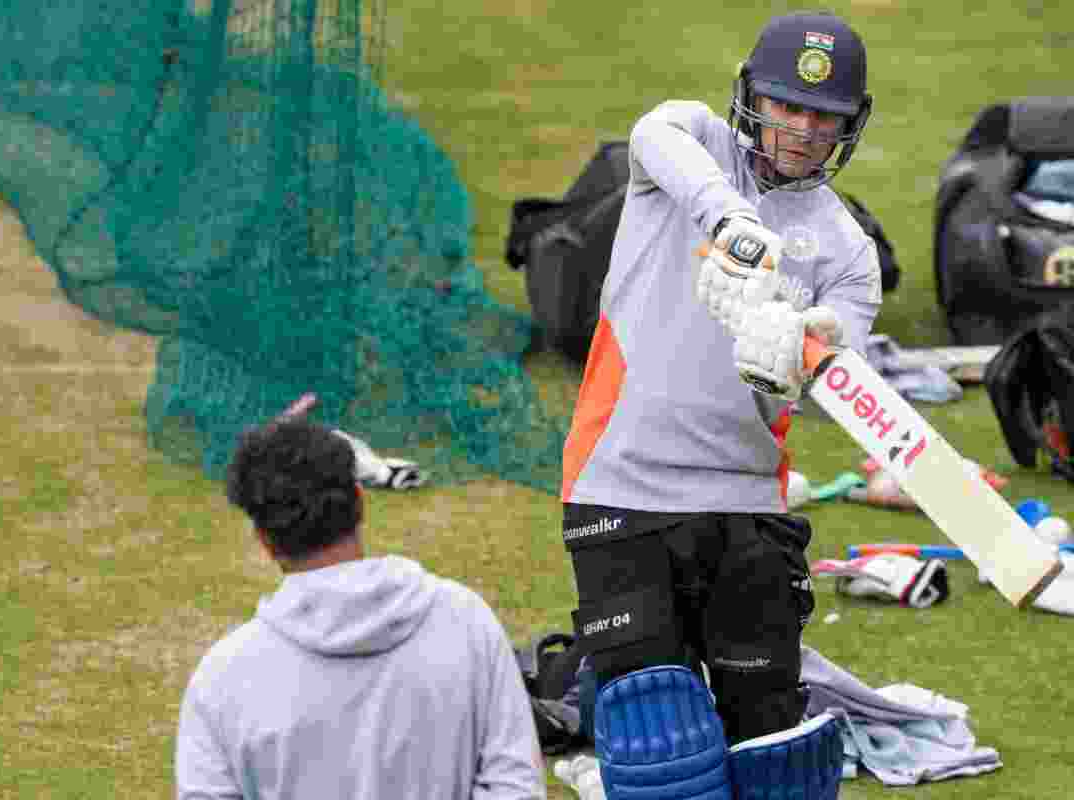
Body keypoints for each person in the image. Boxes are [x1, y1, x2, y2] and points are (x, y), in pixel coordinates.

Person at [557, 10, 879, 800]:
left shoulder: (849, 251)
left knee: (770, 740)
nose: (802, 128)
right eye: (785, 105)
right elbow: (649, 132)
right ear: (750, 98)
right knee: (653, 733)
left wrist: (805, 348)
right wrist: (729, 218)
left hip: (746, 503)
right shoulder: (691, 145)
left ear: (849, 123)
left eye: (823, 114)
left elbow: (846, 379)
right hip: (621, 485)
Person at [175, 417, 544, 800]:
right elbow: (516, 784)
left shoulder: (222, 681)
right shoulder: (467, 622)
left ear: (264, 540)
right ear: (360, 501)